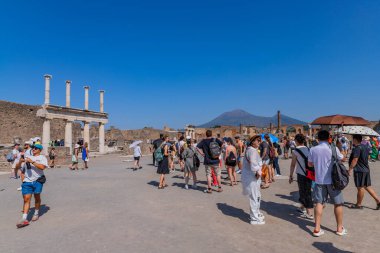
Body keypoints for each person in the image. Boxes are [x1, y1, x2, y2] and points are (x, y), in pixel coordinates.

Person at [308, 130, 347, 237]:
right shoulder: (333, 148)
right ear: (328, 138)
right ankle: (339, 228)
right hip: (333, 181)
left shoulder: (313, 149)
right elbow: (343, 159)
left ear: (318, 138)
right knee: (338, 203)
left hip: (319, 180)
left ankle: (317, 229)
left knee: (319, 203)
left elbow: (310, 164)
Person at [15, 144, 48, 228]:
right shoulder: (27, 157)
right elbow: (17, 167)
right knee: (26, 199)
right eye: (33, 148)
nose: (33, 149)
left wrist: (32, 161)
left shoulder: (42, 158)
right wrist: (20, 161)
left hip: (38, 180)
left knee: (37, 197)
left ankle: (36, 213)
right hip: (27, 181)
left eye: (36, 148)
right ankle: (24, 219)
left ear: (40, 150)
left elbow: (42, 167)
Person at [348, 134, 380, 210]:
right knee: (367, 186)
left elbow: (355, 159)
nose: (352, 140)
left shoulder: (357, 148)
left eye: (353, 139)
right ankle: (378, 200)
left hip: (359, 170)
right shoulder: (365, 147)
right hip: (366, 169)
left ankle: (358, 204)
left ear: (355, 139)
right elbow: (368, 156)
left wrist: (350, 169)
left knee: (360, 188)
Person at [241, 135, 265, 225]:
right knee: (254, 197)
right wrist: (259, 173)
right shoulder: (252, 151)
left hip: (252, 176)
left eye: (260, 140)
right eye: (258, 140)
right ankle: (254, 218)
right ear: (252, 141)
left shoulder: (251, 150)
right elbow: (253, 165)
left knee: (257, 195)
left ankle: (256, 213)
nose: (259, 142)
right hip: (253, 177)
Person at [289, 134, 313, 220]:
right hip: (309, 173)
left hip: (301, 174)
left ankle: (309, 212)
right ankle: (302, 207)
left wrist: (291, 175)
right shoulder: (308, 149)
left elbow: (293, 165)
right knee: (305, 191)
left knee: (306, 192)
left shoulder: (295, 151)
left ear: (296, 141)